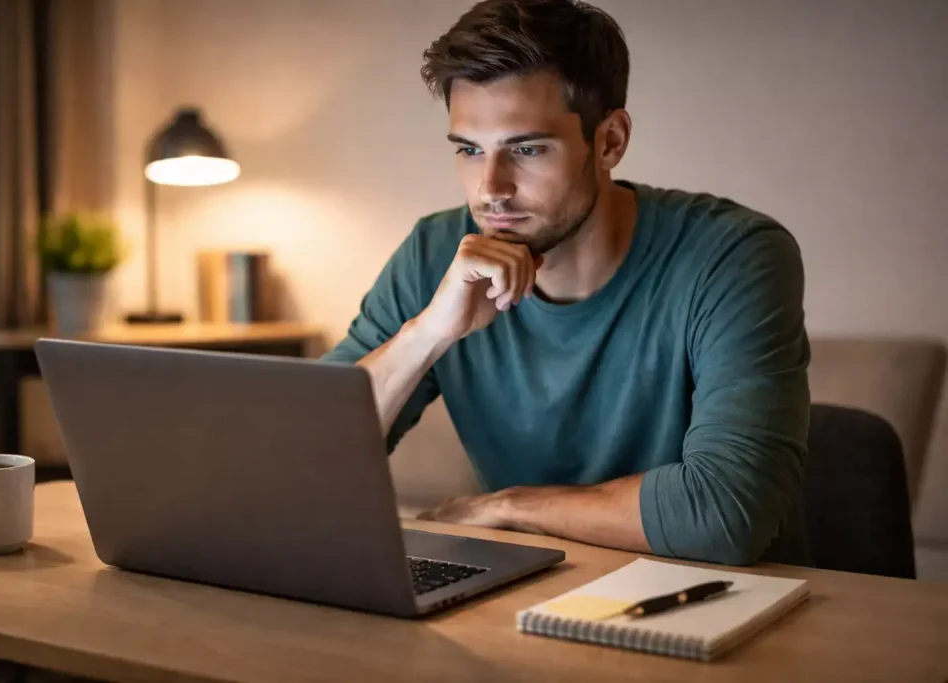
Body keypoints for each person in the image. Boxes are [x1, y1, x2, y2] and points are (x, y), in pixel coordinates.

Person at [323, 0, 811, 567]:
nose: (491, 189)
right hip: (526, 596)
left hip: (721, 603)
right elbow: (296, 462)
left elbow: (725, 515)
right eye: (469, 150)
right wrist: (426, 334)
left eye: (526, 149)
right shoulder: (436, 254)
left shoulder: (732, 257)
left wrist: (510, 507)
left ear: (609, 142)